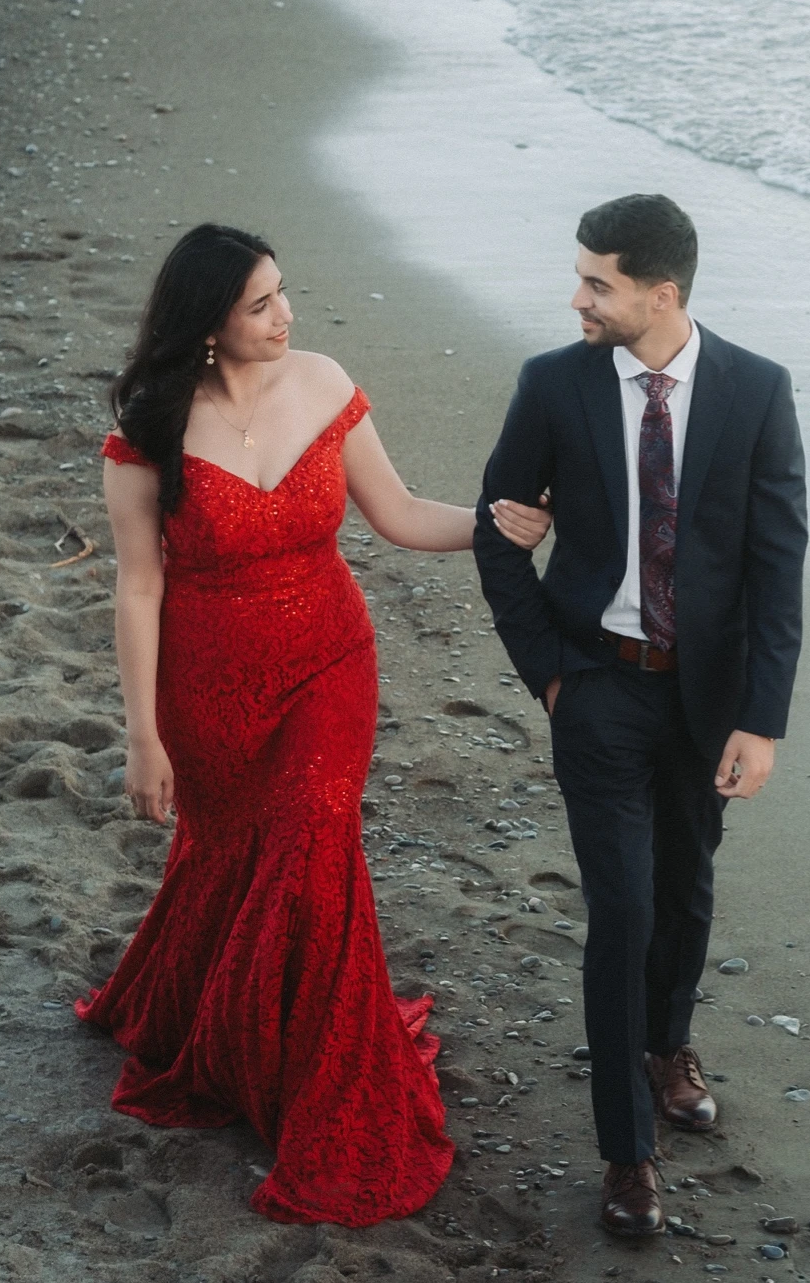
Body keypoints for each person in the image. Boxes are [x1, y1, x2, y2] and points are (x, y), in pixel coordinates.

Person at [82, 221, 549, 1226]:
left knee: (311, 842)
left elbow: (399, 512)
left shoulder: (325, 383)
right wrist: (144, 736)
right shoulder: (150, 427)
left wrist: (493, 525)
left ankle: (316, 1077)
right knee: (231, 855)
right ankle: (222, 1027)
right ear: (208, 324)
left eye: (283, 292)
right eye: (260, 304)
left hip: (330, 665)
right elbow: (138, 587)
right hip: (207, 686)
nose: (285, 315)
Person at [473, 194, 807, 1238]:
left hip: (708, 698)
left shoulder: (757, 390)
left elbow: (777, 567)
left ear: (661, 294)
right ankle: (627, 1152)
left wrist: (762, 719)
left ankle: (668, 1048)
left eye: (597, 283)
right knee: (621, 910)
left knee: (686, 889)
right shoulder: (554, 385)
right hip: (599, 686)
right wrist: (551, 676)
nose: (577, 299)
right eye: (580, 278)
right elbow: (495, 532)